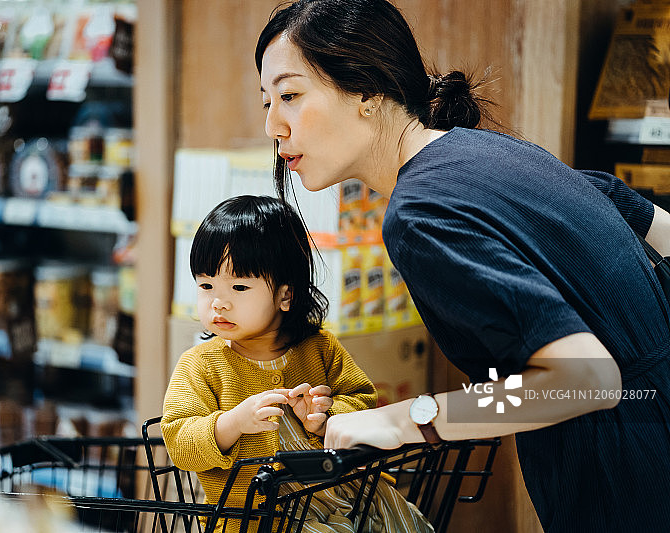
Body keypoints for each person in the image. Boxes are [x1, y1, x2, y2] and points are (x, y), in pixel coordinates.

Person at [255, 1, 670, 532]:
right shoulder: (483, 150)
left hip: (631, 483)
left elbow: (588, 379)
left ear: (367, 90)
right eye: (267, 102)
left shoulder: (418, 214)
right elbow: (619, 201)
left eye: (289, 96)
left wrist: (403, 420)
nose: (273, 125)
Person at [161, 195, 433, 533]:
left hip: (333, 504)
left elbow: (363, 401)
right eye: (205, 285)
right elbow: (178, 441)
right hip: (246, 522)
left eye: (239, 286)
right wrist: (234, 422)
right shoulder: (200, 366)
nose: (218, 302)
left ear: (285, 296)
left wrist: (325, 418)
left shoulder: (319, 348)